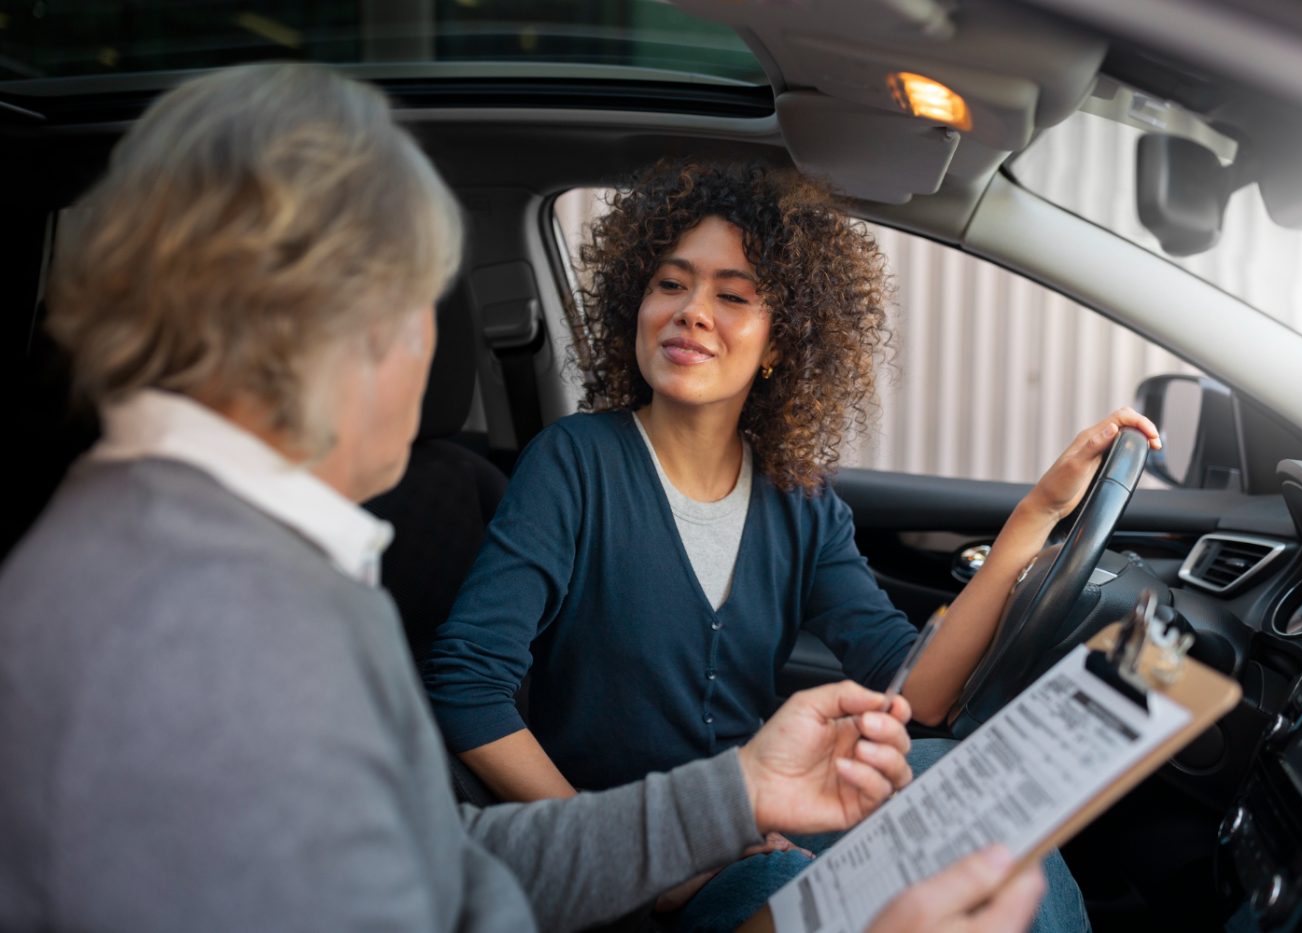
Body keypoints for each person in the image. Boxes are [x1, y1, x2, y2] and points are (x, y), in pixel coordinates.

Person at [0, 63, 1041, 932]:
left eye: (734, 297)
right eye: (425, 306)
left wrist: (727, 797)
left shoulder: (224, 574)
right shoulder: (202, 636)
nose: (431, 350)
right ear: (352, 321)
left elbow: (444, 859)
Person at [425, 160, 1161, 927]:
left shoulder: (798, 501)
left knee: (990, 794)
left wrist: (1039, 512)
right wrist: (642, 860)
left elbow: (916, 694)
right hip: (633, 866)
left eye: (733, 295)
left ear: (781, 341)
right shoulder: (575, 462)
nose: (692, 311)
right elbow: (467, 683)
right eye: (670, 284)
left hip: (763, 821)